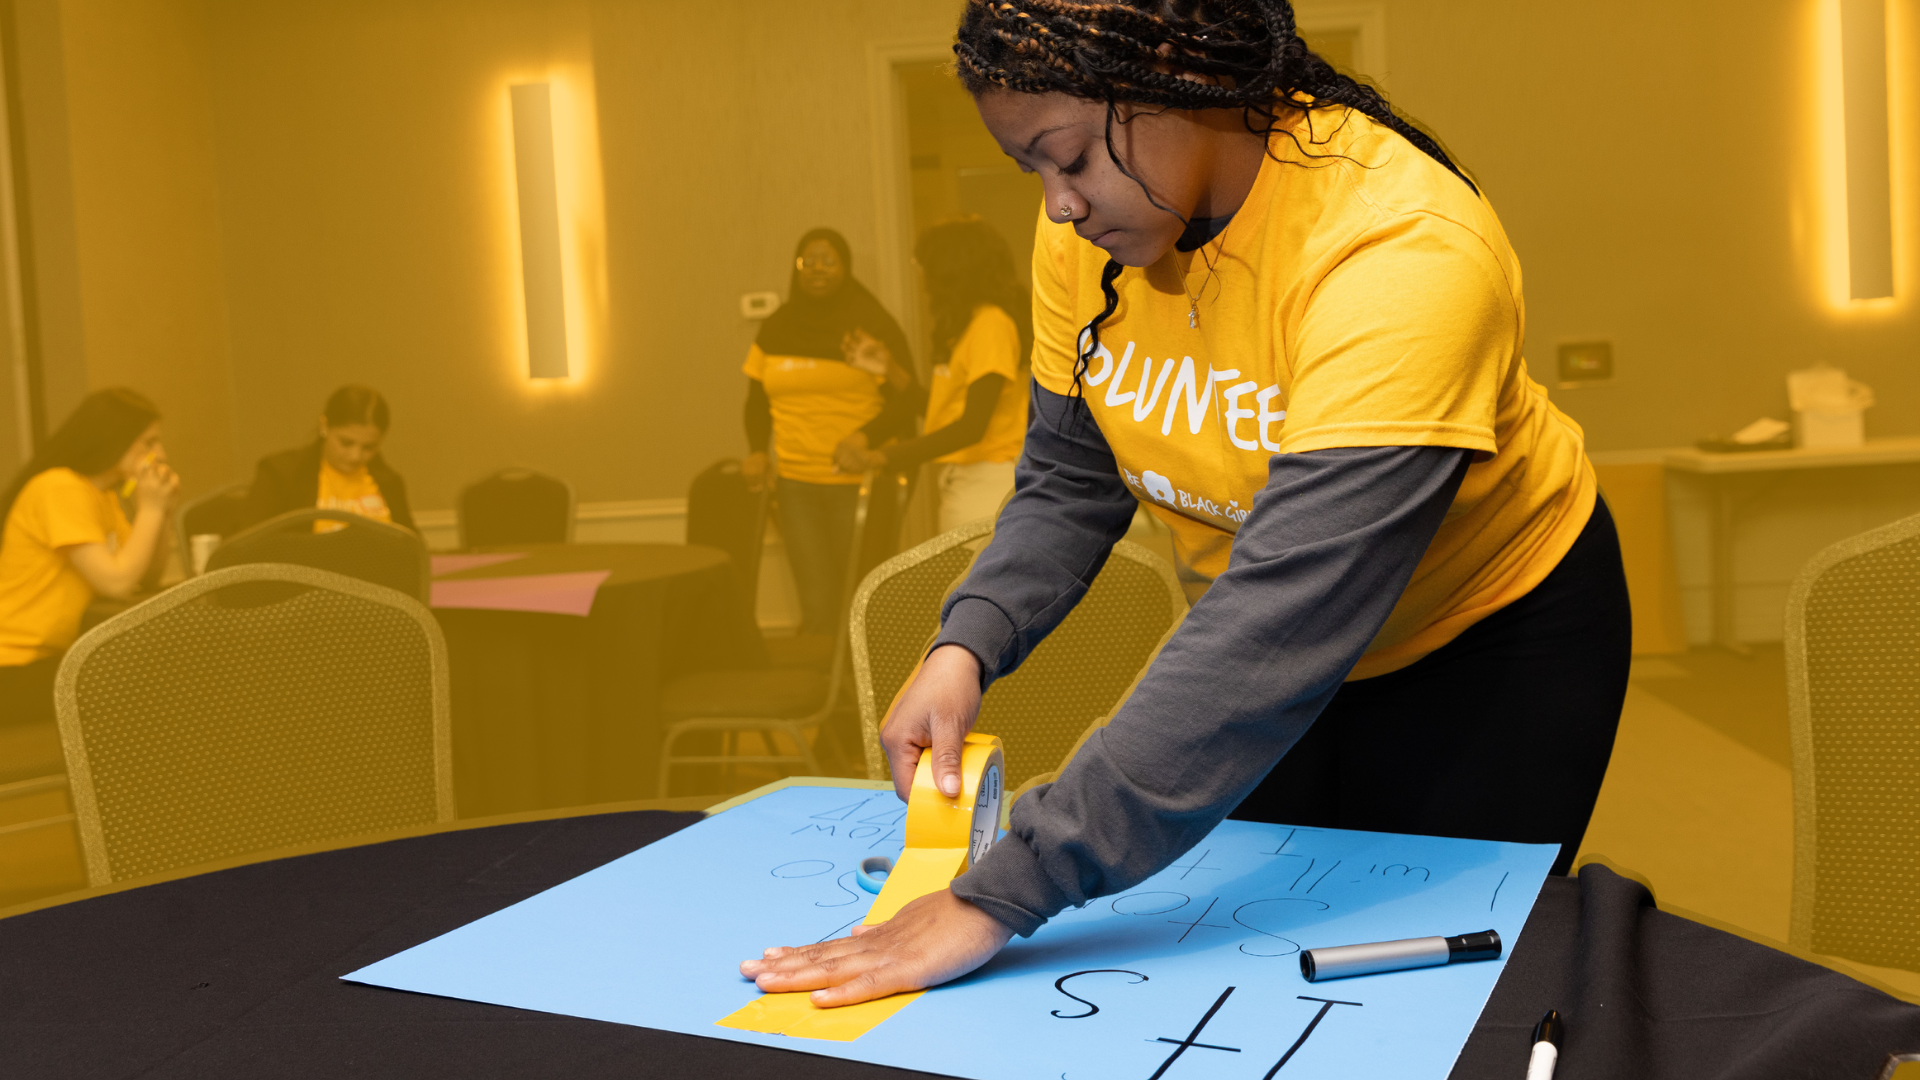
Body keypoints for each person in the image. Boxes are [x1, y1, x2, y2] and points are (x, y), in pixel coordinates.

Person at [742, 0, 1630, 1006]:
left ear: (1185, 74)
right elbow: (1069, 483)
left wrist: (1001, 892)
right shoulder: (1092, 239)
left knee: (1420, 983)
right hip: (1272, 640)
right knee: (1260, 964)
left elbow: (1282, 614)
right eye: (1031, 168)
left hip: (1487, 640)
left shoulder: (1403, 249)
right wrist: (968, 642)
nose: (1057, 207)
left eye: (1070, 158)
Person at [744, 228, 917, 636]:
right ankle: (826, 691)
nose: (817, 270)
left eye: (828, 261)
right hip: (794, 485)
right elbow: (755, 402)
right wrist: (756, 450)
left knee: (863, 595)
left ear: (845, 267)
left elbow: (908, 398)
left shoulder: (870, 323)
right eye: (808, 261)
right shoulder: (775, 327)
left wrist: (866, 438)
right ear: (796, 267)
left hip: (859, 482)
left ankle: (870, 694)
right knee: (817, 598)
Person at [835, 217, 1032, 533]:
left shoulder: (991, 325)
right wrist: (891, 371)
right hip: (969, 480)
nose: (923, 279)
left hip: (988, 483)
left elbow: (971, 427)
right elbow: (945, 414)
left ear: (952, 272)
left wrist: (883, 457)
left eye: (925, 266)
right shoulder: (971, 327)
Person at [0, 389, 179, 727]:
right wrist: (150, 510)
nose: (160, 454)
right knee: (151, 702)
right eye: (149, 442)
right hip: (13, 668)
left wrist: (162, 513)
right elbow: (116, 582)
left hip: (50, 662)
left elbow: (145, 577)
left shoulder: (103, 498)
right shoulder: (58, 488)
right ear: (114, 439)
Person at [240, 385, 415, 534]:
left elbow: (411, 547)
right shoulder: (280, 473)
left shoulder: (390, 483)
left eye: (368, 447)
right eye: (346, 443)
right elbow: (249, 545)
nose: (356, 456)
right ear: (324, 426)